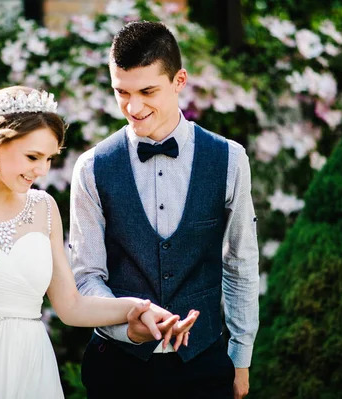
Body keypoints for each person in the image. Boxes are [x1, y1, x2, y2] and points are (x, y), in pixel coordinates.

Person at [0, 86, 195, 399]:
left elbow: (72, 307)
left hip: (30, 369)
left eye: (49, 158)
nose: (42, 169)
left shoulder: (43, 207)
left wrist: (138, 308)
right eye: (33, 156)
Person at [69, 21, 260, 399]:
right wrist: (128, 322)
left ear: (179, 81)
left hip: (204, 365)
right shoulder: (91, 167)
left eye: (147, 91)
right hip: (116, 369)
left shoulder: (230, 159)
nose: (133, 107)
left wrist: (240, 358)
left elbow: (240, 265)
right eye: (121, 92)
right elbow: (86, 277)